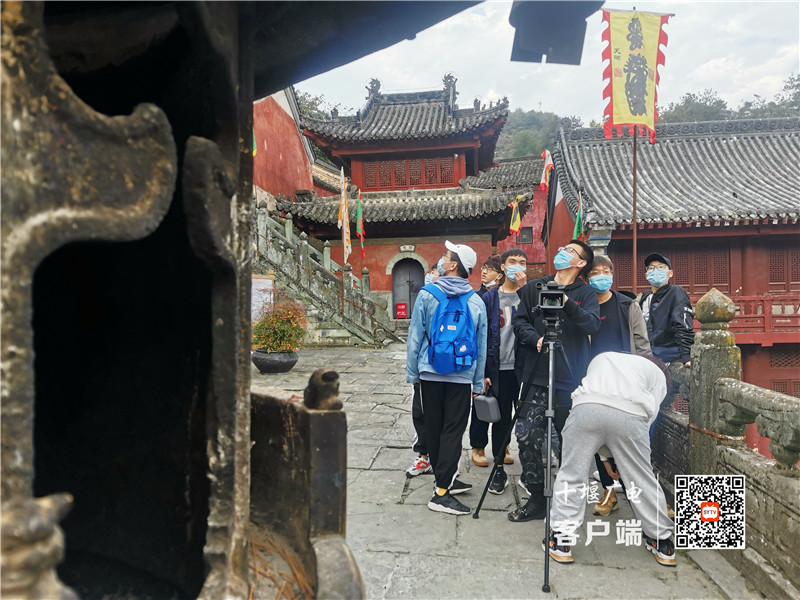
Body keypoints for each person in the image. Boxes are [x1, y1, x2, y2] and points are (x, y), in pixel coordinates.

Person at [543, 352, 676, 568]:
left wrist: (605, 457)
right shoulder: (659, 375)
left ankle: (560, 540)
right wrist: (627, 458)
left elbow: (600, 408)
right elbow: (648, 417)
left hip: (585, 408)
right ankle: (662, 542)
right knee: (642, 479)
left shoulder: (602, 357)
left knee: (572, 473)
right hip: (631, 414)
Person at [508, 239, 600, 522]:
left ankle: (567, 498)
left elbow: (592, 324)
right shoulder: (535, 287)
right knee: (526, 435)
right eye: (562, 249)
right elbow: (519, 321)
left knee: (569, 441)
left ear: (581, 263)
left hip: (570, 377)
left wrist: (567, 303)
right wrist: (535, 339)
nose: (562, 252)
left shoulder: (585, 293)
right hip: (536, 375)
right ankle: (537, 497)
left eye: (569, 251)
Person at [406, 241, 487, 515]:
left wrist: (413, 373)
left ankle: (443, 482)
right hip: (461, 376)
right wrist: (477, 382)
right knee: (453, 431)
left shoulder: (427, 294)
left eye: (446, 256)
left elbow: (415, 337)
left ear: (453, 265)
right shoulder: (475, 301)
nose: (441, 258)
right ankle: (442, 489)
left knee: (434, 428)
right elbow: (481, 346)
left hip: (430, 373)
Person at [584, 255, 651, 516]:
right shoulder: (582, 306)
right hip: (592, 378)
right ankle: (609, 491)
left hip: (625, 378)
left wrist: (644, 374)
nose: (601, 276)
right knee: (598, 434)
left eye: (606, 271)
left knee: (629, 436)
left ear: (612, 275)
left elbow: (641, 342)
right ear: (586, 278)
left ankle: (642, 495)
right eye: (595, 272)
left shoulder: (626, 305)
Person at [470, 249, 527, 493]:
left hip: (524, 370)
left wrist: (526, 291)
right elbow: (480, 337)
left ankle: (530, 471)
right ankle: (499, 469)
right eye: (512, 262)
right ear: (503, 267)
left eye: (522, 262)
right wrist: (482, 372)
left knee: (527, 421)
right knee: (500, 420)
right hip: (498, 368)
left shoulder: (530, 295)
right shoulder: (489, 298)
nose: (517, 265)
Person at [406, 267, 440, 477]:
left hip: (451, 369)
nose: (431, 276)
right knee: (421, 413)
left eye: (435, 272)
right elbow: (415, 336)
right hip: (426, 367)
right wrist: (413, 372)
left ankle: (443, 463)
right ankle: (424, 456)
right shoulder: (425, 298)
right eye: (431, 272)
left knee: (445, 420)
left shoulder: (461, 298)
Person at [638, 253, 695, 367]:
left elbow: (682, 324)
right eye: (651, 268)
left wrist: (686, 355)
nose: (656, 271)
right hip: (647, 356)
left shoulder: (675, 292)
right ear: (646, 275)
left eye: (661, 267)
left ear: (670, 273)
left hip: (668, 355)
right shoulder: (645, 297)